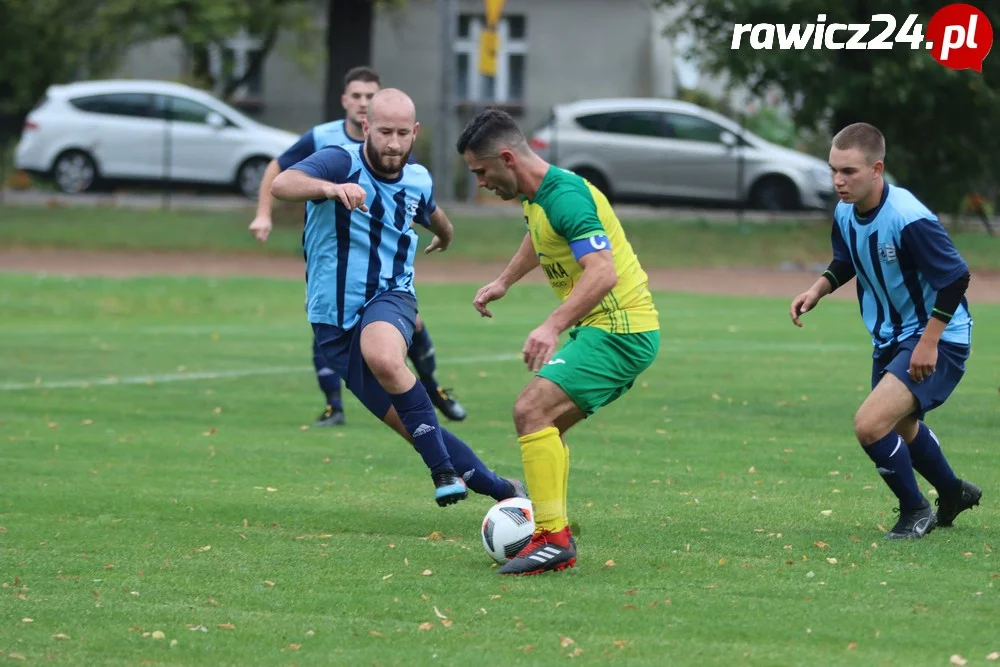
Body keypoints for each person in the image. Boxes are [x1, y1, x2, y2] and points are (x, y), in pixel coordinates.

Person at [271, 89, 524, 507]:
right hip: (332, 323)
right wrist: (331, 190)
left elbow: (432, 213)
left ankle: (443, 473)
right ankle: (505, 491)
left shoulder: (417, 177)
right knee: (418, 429)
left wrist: (445, 235)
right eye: (384, 131)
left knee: (385, 357)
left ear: (415, 132)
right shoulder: (340, 161)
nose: (393, 143)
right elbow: (283, 183)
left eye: (402, 133)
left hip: (391, 297)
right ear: (367, 127)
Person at [456, 109, 660, 575]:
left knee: (531, 409)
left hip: (620, 330)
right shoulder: (537, 194)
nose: (481, 183)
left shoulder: (565, 194)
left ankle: (553, 540)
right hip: (609, 330)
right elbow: (540, 237)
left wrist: (550, 326)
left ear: (508, 158)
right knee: (546, 426)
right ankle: (552, 530)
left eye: (482, 172)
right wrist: (504, 281)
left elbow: (603, 272)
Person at [790, 122, 981, 540]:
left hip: (938, 337)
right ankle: (952, 492)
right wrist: (817, 289)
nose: (839, 180)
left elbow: (954, 278)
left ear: (877, 169)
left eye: (849, 172)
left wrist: (929, 342)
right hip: (891, 336)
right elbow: (847, 259)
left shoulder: (908, 218)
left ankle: (916, 510)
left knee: (870, 424)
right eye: (833, 170)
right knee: (900, 426)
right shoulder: (845, 210)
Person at [250, 66, 467, 427]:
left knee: (410, 323)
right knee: (329, 321)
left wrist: (444, 233)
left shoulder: (392, 147)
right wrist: (264, 214)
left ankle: (433, 389)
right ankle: (335, 405)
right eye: (357, 96)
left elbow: (416, 201)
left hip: (383, 263)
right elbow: (279, 170)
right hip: (332, 253)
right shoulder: (324, 139)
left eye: (371, 96)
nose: (363, 102)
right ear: (346, 101)